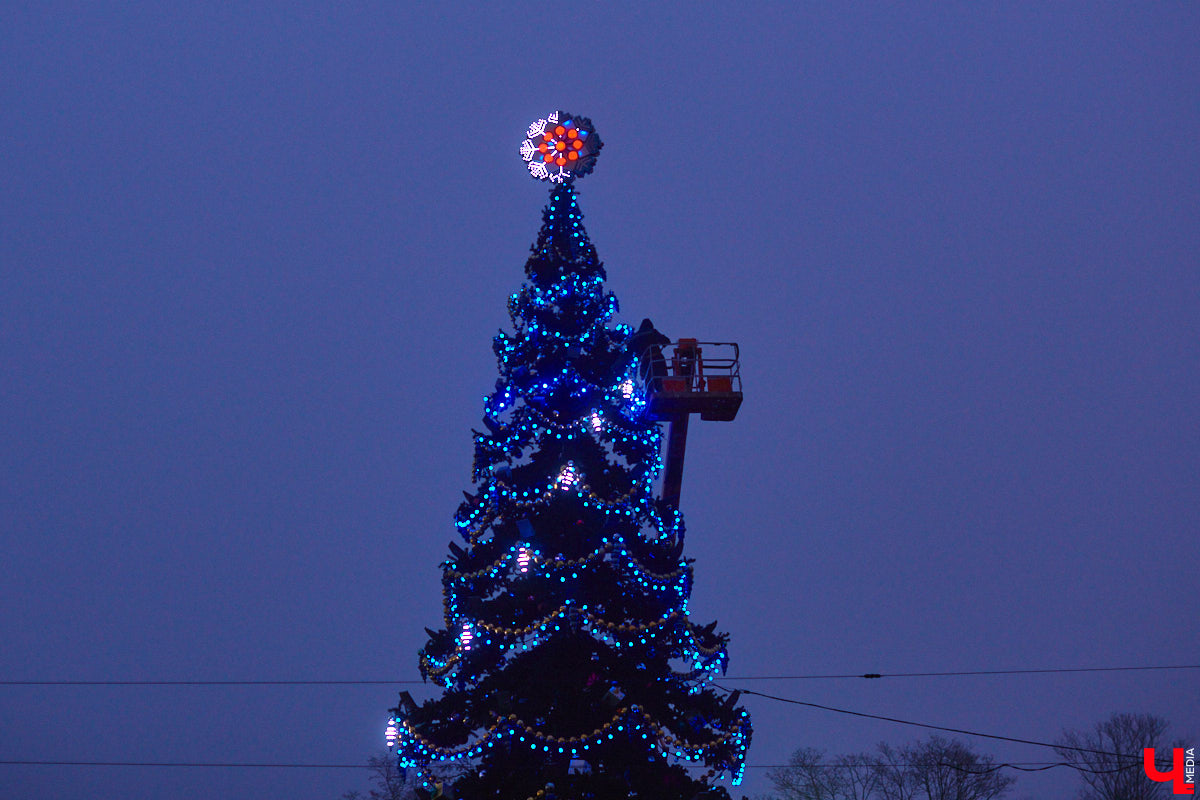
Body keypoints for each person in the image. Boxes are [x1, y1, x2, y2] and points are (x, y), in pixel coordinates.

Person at [627, 318, 670, 388]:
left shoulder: (635, 337)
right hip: (657, 361)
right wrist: (664, 343)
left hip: (644, 363)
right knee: (662, 382)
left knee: (648, 383)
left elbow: (629, 351)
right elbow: (666, 341)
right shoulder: (652, 332)